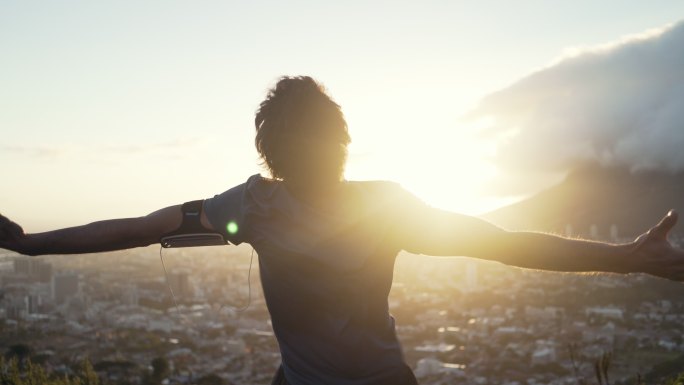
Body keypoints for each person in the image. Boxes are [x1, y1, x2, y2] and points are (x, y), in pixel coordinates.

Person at [1, 75, 683, 385]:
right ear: (338, 142)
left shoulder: (257, 205)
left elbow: (136, 226)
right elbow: (502, 241)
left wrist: (31, 243)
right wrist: (625, 258)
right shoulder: (362, 205)